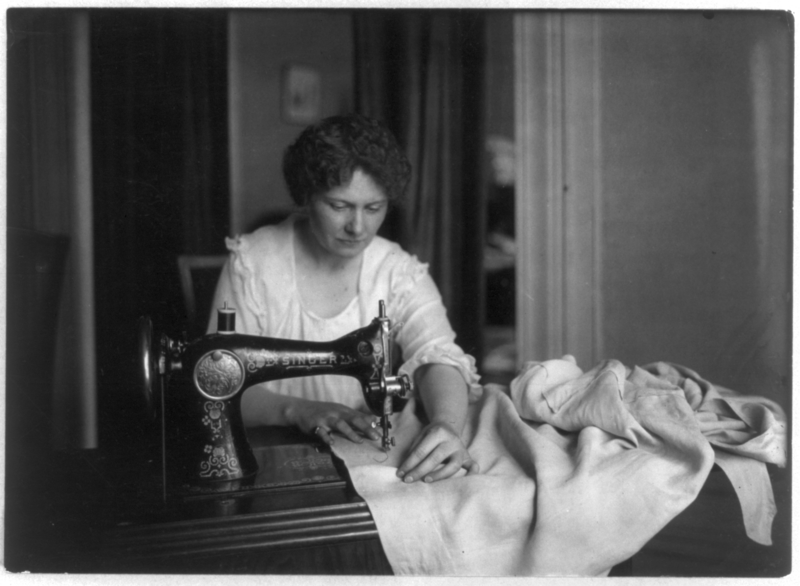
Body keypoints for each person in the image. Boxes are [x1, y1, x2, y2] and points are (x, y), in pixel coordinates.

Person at [209, 114, 481, 484]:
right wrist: (299, 410)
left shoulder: (396, 270)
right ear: (305, 196)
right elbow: (222, 381)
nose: (358, 227)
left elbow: (438, 355)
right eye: (339, 206)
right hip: (265, 452)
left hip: (357, 449)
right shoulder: (252, 264)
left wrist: (447, 425)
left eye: (374, 208)